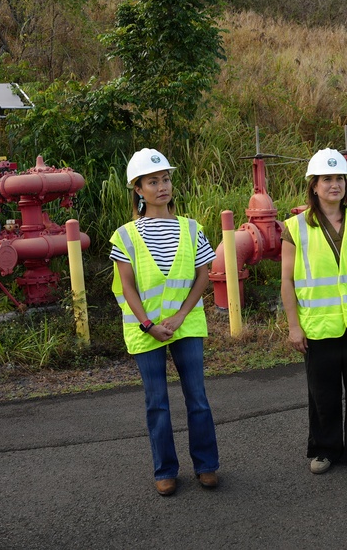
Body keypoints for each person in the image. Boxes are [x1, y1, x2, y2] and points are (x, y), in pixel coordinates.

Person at [109, 148, 220, 497]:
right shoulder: (124, 235)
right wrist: (148, 324)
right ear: (138, 190)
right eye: (153, 181)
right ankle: (165, 471)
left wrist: (181, 315)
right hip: (146, 329)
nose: (162, 186)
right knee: (156, 401)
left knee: (197, 398)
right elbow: (126, 285)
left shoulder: (191, 228)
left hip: (185, 324)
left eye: (166, 179)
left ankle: (206, 465)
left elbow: (203, 276)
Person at [281, 148, 347, 476]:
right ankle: (324, 449)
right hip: (318, 326)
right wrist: (293, 326)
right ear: (313, 185)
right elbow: (287, 279)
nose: (334, 184)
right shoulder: (295, 228)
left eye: (340, 178)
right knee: (322, 394)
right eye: (327, 179)